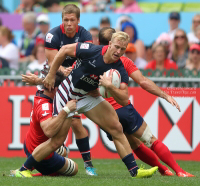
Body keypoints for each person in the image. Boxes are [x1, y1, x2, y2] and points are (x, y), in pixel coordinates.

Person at [14, 31, 158, 178]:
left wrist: (110, 87)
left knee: (116, 127)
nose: (118, 51)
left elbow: (124, 99)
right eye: (116, 47)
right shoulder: (91, 50)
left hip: (87, 95)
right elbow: (63, 50)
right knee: (57, 141)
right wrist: (51, 75)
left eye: (122, 49)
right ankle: (24, 169)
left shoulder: (119, 68)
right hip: (67, 93)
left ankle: (134, 171)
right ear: (109, 44)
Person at [98, 27, 194, 177]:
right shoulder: (123, 61)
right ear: (111, 43)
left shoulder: (90, 58)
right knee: (151, 140)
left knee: (135, 144)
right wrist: (165, 95)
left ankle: (163, 170)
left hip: (105, 114)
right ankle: (179, 171)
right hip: (123, 109)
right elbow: (142, 81)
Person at [43, 4, 97, 176]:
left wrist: (71, 71)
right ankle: (59, 152)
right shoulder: (52, 35)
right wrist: (61, 72)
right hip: (55, 79)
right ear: (62, 21)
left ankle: (88, 164)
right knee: (59, 120)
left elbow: (86, 59)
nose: (68, 23)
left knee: (74, 121)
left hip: (76, 79)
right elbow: (53, 63)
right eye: (65, 20)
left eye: (72, 20)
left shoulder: (85, 35)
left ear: (78, 21)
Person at [12, 71, 78, 177]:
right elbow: (49, 131)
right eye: (62, 88)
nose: (65, 91)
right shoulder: (45, 106)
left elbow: (50, 80)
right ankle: (24, 170)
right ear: (55, 89)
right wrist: (66, 110)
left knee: (64, 151)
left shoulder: (42, 93)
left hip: (30, 142)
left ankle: (28, 168)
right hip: (38, 149)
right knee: (74, 168)